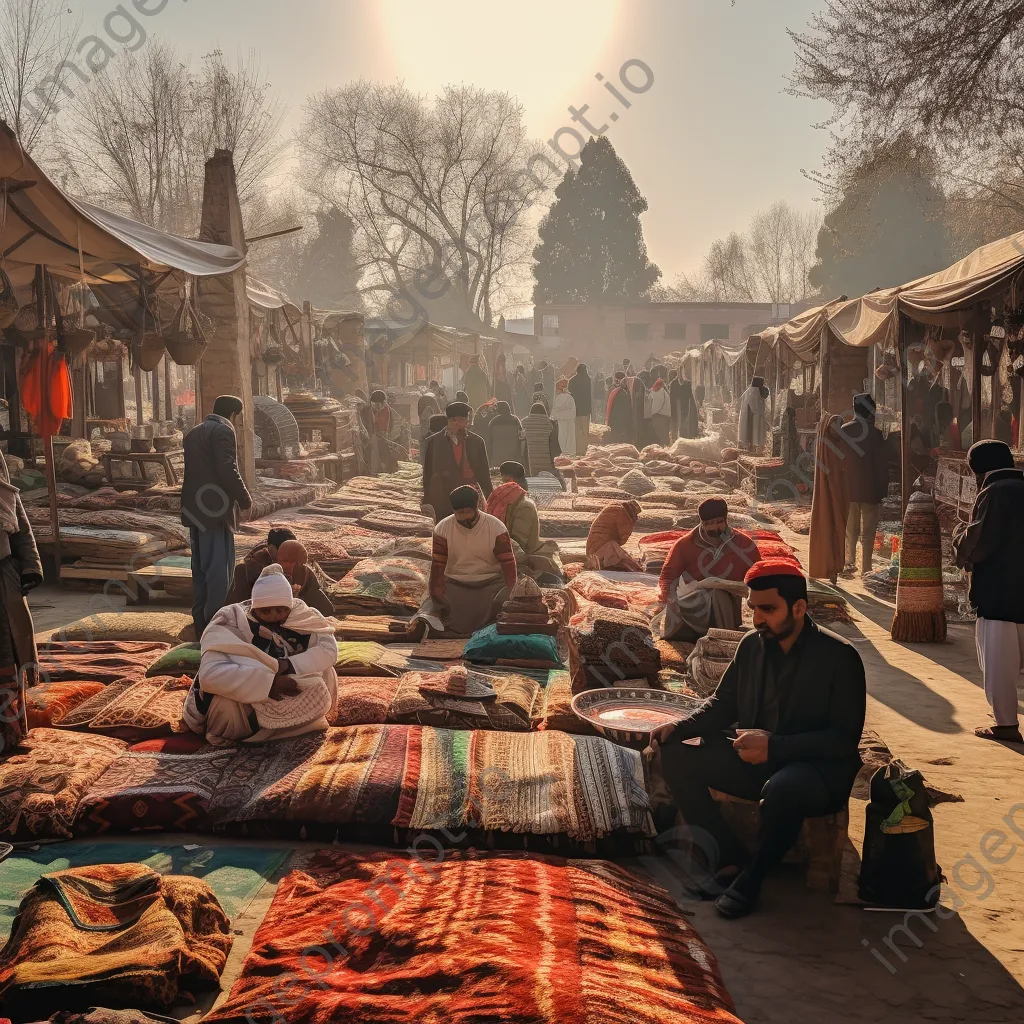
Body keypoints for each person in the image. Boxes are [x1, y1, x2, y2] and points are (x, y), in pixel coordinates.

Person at [654, 560, 866, 919]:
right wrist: (680, 726)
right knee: (674, 752)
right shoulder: (752, 646)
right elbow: (723, 704)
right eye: (753, 608)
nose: (757, 619)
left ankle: (753, 879)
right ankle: (729, 860)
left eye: (768, 609)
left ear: (799, 608)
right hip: (754, 759)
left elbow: (842, 741)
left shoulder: (840, 657)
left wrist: (776, 747)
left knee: (785, 789)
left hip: (814, 772)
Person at [183, 563, 339, 745]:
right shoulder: (230, 621)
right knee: (225, 702)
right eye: (266, 611)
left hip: (289, 688)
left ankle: (295, 725)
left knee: (327, 671)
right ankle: (248, 734)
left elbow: (329, 651)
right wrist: (269, 683)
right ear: (254, 607)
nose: (273, 615)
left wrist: (288, 665)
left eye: (281, 610)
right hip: (247, 702)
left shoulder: (303, 616)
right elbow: (210, 676)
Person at [953, 440, 1024, 744]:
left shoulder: (995, 492)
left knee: (999, 663)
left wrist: (958, 537)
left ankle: (1005, 724)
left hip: (1000, 591)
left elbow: (979, 543)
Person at [182, 395, 253, 638]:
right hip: (215, 510)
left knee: (200, 569)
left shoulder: (194, 432)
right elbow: (227, 468)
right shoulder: (223, 430)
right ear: (234, 414)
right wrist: (244, 498)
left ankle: (201, 622)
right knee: (219, 571)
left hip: (195, 510)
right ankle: (218, 625)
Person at [414, 485, 518, 635]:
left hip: (490, 584)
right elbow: (437, 567)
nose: (464, 517)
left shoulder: (496, 527)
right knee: (431, 606)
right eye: (459, 513)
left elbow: (508, 564)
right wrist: (436, 594)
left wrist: (512, 592)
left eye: (467, 511)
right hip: (455, 585)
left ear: (476, 508)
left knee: (503, 604)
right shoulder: (442, 529)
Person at [659, 498, 762, 641]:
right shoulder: (685, 544)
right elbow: (668, 576)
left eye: (719, 522)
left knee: (719, 594)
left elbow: (759, 576)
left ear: (726, 520)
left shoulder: (743, 544)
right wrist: (669, 598)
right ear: (701, 522)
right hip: (693, 603)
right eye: (709, 524)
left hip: (728, 602)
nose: (714, 528)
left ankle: (723, 637)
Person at [0, 453, 43, 751]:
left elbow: (22, 528)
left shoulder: (4, 494)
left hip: (3, 576)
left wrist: (31, 566)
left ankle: (11, 733)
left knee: (8, 650)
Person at [839, 393, 890, 576]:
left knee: (850, 530)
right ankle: (866, 569)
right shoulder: (875, 434)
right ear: (870, 412)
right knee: (868, 533)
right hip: (871, 490)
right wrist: (883, 489)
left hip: (849, 490)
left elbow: (839, 462)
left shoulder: (844, 430)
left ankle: (849, 563)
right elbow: (882, 465)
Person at [487, 461, 562, 582]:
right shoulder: (509, 503)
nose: (497, 487)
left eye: (500, 481)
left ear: (509, 480)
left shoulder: (524, 506)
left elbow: (518, 544)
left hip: (525, 556)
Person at [227, 533, 334, 616]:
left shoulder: (303, 572)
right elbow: (234, 607)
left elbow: (325, 609)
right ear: (271, 549)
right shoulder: (246, 570)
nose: (291, 564)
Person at [421, 402, 493, 522]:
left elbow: (484, 475)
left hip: (469, 497)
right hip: (443, 497)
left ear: (467, 422)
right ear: (448, 421)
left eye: (461, 420)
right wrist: (426, 500)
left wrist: (491, 498)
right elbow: (427, 474)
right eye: (453, 420)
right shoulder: (433, 442)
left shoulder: (477, 442)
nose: (457, 424)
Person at [585, 500, 644, 571]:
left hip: (591, 548)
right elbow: (624, 537)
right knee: (627, 563)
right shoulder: (624, 515)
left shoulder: (613, 507)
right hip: (603, 548)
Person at [359, 390, 405, 473]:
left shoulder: (387, 410)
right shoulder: (366, 411)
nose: (379, 406)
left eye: (381, 404)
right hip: (371, 439)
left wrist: (387, 434)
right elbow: (364, 425)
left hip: (384, 438)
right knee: (372, 460)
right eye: (375, 404)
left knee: (385, 457)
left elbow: (391, 425)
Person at [522, 401, 562, 478]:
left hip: (529, 460)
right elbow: (555, 442)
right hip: (547, 460)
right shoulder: (551, 423)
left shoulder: (524, 422)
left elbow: (521, 440)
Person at [487, 401, 526, 469]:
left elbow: (489, 440)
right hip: (513, 457)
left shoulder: (493, 422)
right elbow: (521, 437)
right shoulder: (515, 420)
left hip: (497, 457)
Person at [738, 375, 770, 451]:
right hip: (754, 416)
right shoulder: (755, 391)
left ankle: (749, 448)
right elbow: (756, 408)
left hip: (747, 415)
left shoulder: (748, 391)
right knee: (754, 433)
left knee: (747, 434)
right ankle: (753, 449)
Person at [568, 362, 593, 455]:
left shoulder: (572, 381)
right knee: (585, 430)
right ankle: (584, 449)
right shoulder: (589, 380)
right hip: (586, 410)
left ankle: (578, 449)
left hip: (575, 410)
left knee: (577, 430)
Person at [551, 377, 578, 457]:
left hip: (561, 419)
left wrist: (552, 417)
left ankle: (564, 451)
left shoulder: (561, 397)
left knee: (562, 436)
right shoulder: (569, 396)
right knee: (570, 436)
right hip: (569, 418)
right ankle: (570, 451)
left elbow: (556, 409)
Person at [606, 371, 635, 444]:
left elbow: (608, 401)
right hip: (620, 414)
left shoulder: (613, 388)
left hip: (616, 414)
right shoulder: (624, 389)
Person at [647, 375, 672, 445]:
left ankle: (664, 450)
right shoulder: (664, 392)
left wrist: (652, 414)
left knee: (662, 436)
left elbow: (657, 405)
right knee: (664, 436)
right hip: (664, 416)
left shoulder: (660, 392)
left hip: (660, 416)